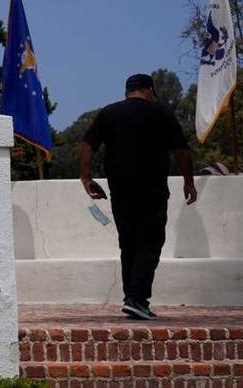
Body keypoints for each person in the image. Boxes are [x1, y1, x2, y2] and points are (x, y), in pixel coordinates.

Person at [78, 73, 197, 321]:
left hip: (120, 189)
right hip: (151, 189)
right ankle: (137, 299)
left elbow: (86, 144)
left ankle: (131, 298)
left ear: (126, 92)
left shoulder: (109, 113)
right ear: (150, 91)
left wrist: (86, 178)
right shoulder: (161, 113)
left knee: (128, 243)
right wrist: (188, 182)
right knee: (150, 242)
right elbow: (181, 151)